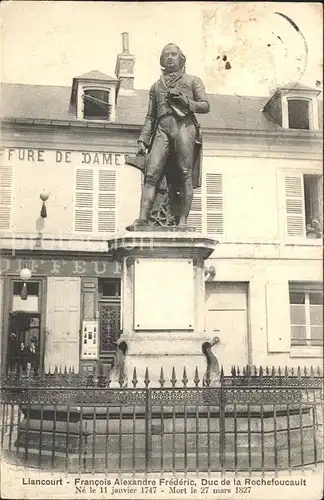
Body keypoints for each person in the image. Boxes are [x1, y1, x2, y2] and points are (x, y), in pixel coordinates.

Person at [126, 43, 210, 230]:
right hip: (162, 128)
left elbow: (205, 105)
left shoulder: (192, 81)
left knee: (185, 174)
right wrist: (143, 139)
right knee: (151, 173)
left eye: (174, 54)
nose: (170, 57)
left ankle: (183, 222)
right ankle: (142, 219)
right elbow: (150, 116)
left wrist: (186, 102)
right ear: (162, 60)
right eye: (166, 54)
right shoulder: (156, 86)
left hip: (184, 126)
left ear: (181, 58)